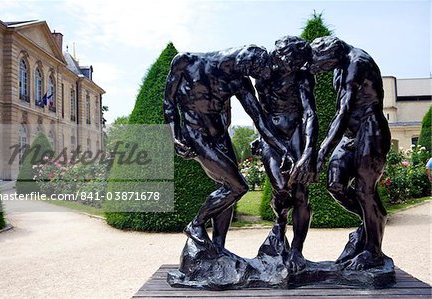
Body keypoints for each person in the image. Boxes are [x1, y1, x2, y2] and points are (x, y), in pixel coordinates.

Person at [163, 45, 293, 249]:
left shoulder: (239, 80)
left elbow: (259, 118)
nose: (248, 78)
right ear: (243, 63)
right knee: (237, 186)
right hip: (196, 134)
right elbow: (168, 101)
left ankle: (219, 247)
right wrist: (174, 136)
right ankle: (196, 224)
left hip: (220, 136)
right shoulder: (186, 62)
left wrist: (282, 148)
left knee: (226, 188)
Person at [310, 36, 391, 270]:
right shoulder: (339, 65)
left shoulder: (357, 62)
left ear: (330, 56)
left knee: (365, 192)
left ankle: (372, 250)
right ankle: (371, 221)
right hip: (350, 135)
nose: (320, 71)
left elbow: (343, 111)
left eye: (320, 66)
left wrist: (322, 151)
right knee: (334, 184)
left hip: (370, 129)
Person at [253, 36, 318, 272]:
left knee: (301, 193)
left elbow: (309, 113)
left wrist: (309, 150)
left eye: (293, 61)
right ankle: (280, 221)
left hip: (295, 134)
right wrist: (260, 135)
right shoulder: (263, 75)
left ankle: (297, 250)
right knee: (280, 187)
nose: (288, 65)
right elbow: (259, 110)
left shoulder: (302, 78)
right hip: (271, 134)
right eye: (286, 59)